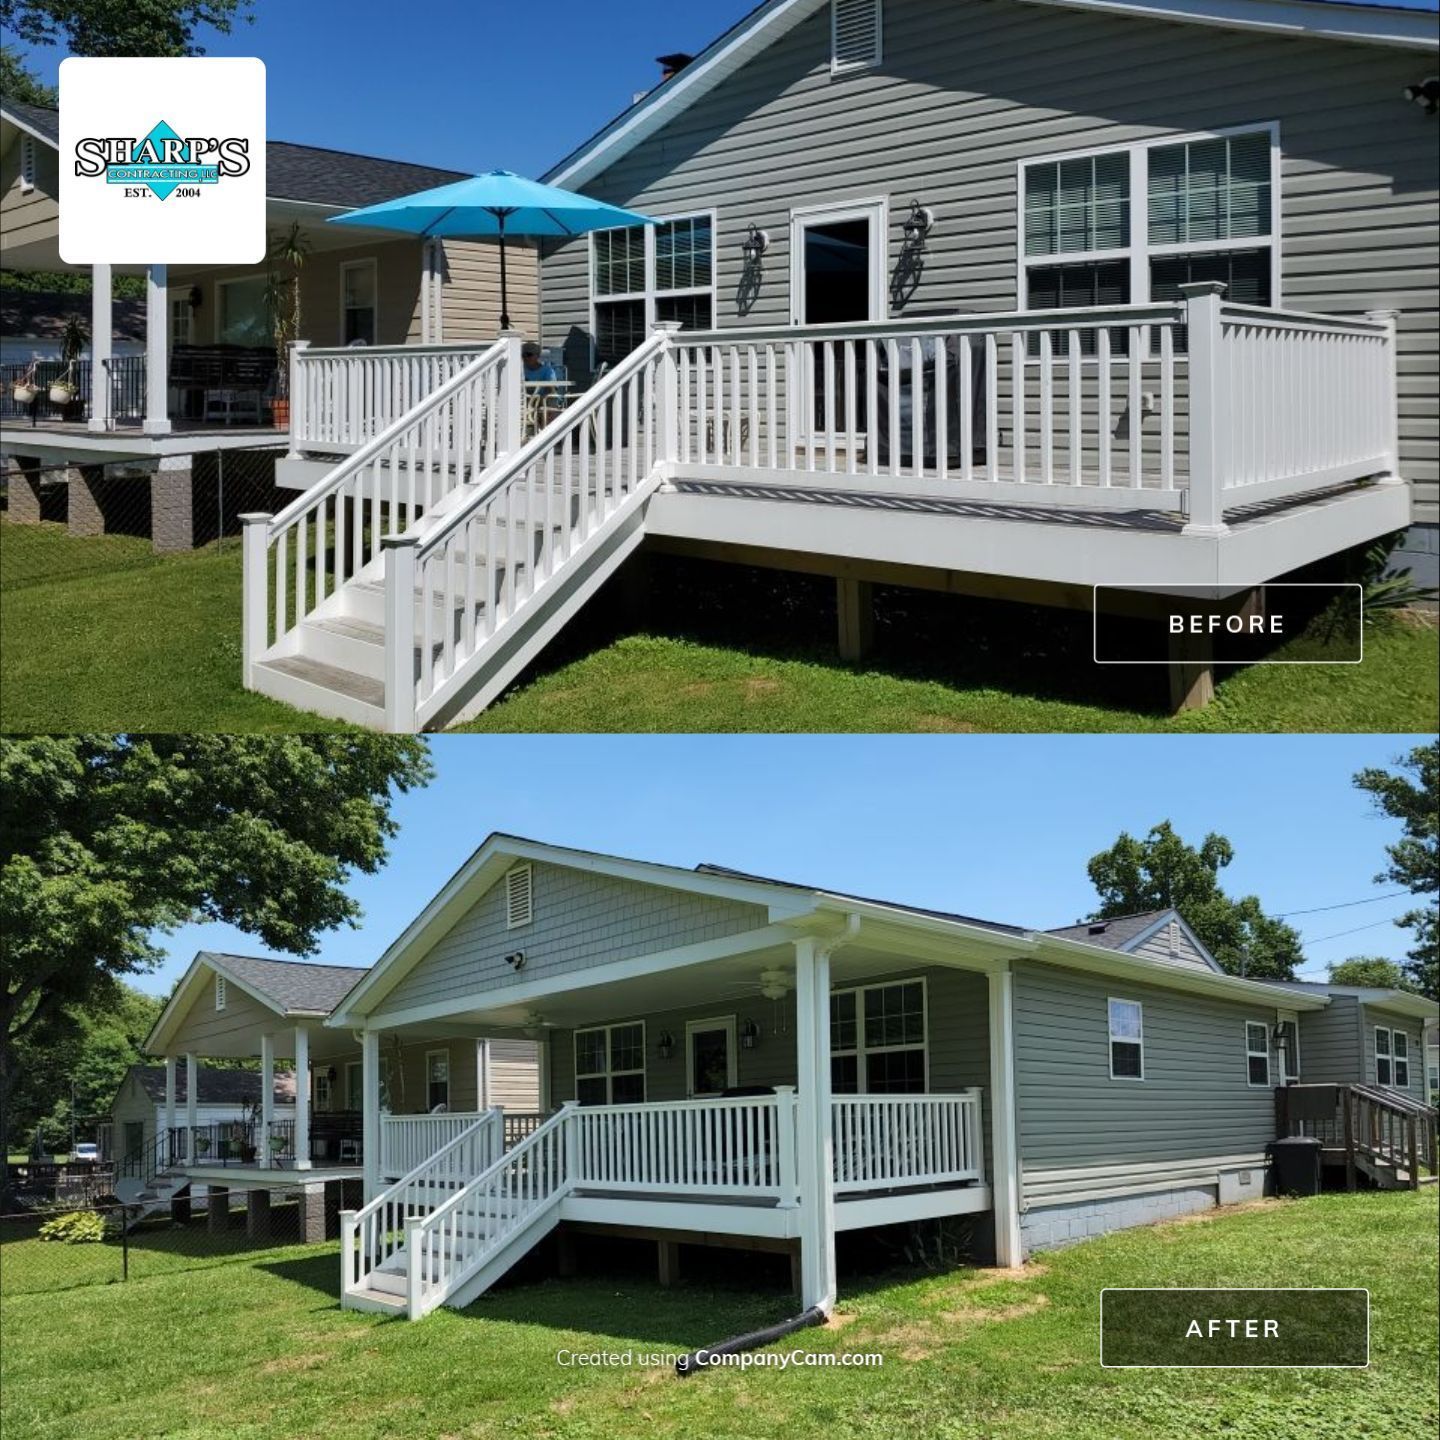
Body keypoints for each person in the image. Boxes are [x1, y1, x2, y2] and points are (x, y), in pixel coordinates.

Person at [521, 341, 562, 432]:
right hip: (526, 400)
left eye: (529, 354)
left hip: (543, 398)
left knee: (549, 400)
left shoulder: (547, 370)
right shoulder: (520, 369)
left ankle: (546, 433)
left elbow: (553, 387)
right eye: (523, 355)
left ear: (537, 356)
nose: (526, 358)